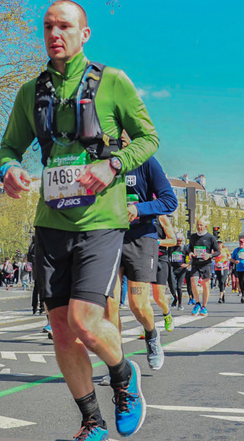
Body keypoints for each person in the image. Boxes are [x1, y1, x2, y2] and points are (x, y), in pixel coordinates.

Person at [0, 0, 156, 439]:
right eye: (48, 26)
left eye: (64, 26)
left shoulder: (114, 82)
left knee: (85, 322)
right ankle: (91, 418)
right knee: (62, 333)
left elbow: (149, 138)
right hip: (51, 222)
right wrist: (8, 170)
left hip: (100, 222)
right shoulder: (31, 92)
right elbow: (9, 147)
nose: (54, 34)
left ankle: (124, 377)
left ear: (84, 34)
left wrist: (115, 165)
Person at [106, 148, 177, 371]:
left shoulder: (147, 162)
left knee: (138, 305)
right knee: (109, 306)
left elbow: (169, 201)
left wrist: (138, 208)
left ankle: (152, 335)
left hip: (141, 238)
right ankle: (117, 367)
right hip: (109, 237)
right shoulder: (102, 161)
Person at [188, 219, 220, 316]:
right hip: (195, 263)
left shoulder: (210, 237)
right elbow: (190, 247)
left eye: (201, 225)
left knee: (205, 285)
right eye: (198, 225)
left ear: (205, 226)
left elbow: (218, 251)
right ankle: (197, 303)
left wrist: (209, 255)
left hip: (206, 264)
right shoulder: (193, 237)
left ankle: (204, 307)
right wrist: (190, 253)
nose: (199, 227)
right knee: (193, 282)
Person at [170, 232, 189, 310]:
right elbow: (168, 257)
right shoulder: (171, 247)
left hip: (181, 270)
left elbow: (190, 256)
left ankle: (180, 304)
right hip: (173, 269)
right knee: (172, 287)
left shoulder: (184, 248)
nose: (179, 243)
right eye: (178, 241)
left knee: (179, 287)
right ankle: (175, 298)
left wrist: (187, 264)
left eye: (180, 241)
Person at [230, 238, 244, 303]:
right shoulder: (236, 250)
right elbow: (231, 259)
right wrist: (235, 261)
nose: (241, 244)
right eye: (240, 242)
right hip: (238, 268)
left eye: (242, 242)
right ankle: (242, 292)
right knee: (240, 282)